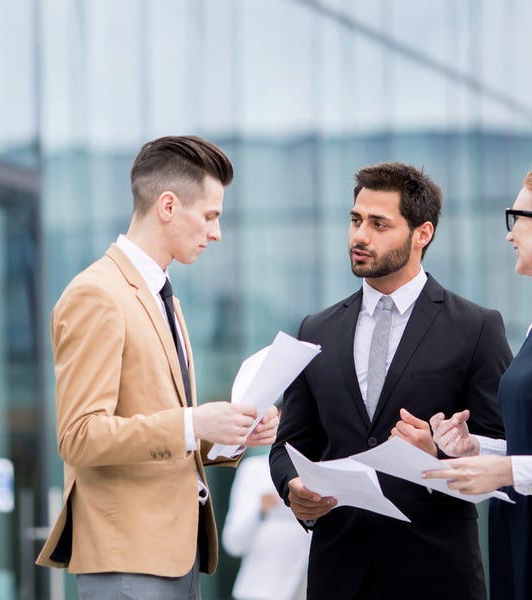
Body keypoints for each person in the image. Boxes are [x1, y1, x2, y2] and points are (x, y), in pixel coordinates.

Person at [35, 135, 280, 599]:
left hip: (174, 554)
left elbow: (164, 430)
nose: (216, 233)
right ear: (168, 205)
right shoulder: (97, 294)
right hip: (128, 558)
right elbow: (79, 435)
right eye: (210, 216)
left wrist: (227, 433)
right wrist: (193, 422)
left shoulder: (164, 299)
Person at [269, 162, 511, 600]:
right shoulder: (315, 330)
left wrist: (438, 454)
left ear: (423, 233)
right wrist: (292, 488)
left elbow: (503, 448)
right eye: (356, 220)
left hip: (437, 576)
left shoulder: (476, 328)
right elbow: (289, 445)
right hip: (337, 573)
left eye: (379, 224)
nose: (360, 236)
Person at [422, 169, 532, 599]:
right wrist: (473, 450)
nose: (509, 235)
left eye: (518, 216)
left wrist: (505, 471)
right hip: (518, 533)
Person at [222, 447, 310, 600]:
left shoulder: (319, 470)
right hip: (263, 590)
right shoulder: (255, 470)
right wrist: (261, 511)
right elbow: (233, 543)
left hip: (309, 586)